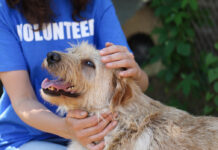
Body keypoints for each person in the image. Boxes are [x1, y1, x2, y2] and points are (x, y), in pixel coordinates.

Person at [0, 0, 149, 149]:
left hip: (100, 133)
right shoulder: (5, 9)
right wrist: (67, 129)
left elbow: (133, 85)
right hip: (28, 137)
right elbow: (23, 100)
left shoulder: (97, 3)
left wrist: (136, 74)